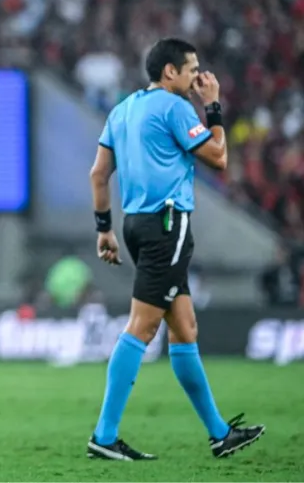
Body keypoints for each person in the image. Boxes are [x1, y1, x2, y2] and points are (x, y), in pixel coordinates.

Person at [87, 37, 264, 460]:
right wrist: (213, 105)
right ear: (170, 72)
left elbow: (98, 174)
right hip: (168, 224)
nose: (197, 77)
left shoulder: (123, 109)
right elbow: (218, 157)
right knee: (142, 327)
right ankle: (104, 436)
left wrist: (104, 230)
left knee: (184, 328)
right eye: (192, 69)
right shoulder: (175, 107)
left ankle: (219, 433)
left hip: (134, 224)